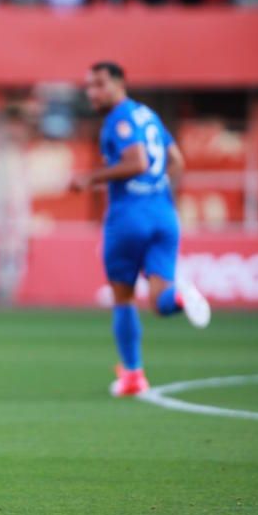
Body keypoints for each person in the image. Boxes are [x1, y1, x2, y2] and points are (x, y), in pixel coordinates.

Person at [70, 61, 210, 397]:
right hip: (163, 214)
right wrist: (158, 192)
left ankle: (133, 375)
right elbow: (176, 161)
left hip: (128, 218)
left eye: (100, 84)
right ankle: (181, 295)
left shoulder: (117, 119)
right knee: (161, 301)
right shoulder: (148, 115)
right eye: (89, 85)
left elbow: (137, 162)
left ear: (120, 83)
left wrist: (91, 177)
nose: (93, 92)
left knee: (124, 298)